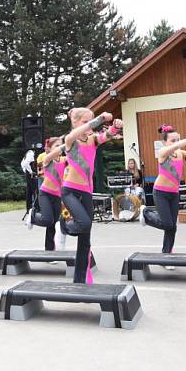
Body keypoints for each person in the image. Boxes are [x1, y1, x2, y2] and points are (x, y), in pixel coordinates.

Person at [61, 108, 123, 284]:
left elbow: (106, 136)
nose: (89, 125)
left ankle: (82, 277)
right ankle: (64, 225)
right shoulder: (70, 140)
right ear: (75, 123)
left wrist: (115, 127)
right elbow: (83, 129)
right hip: (70, 191)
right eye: (85, 122)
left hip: (86, 192)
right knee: (84, 223)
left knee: (86, 239)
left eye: (91, 121)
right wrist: (99, 119)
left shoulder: (92, 140)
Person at [139, 126, 186, 255]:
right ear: (165, 142)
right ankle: (146, 213)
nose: (177, 143)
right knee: (167, 224)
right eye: (173, 140)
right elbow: (179, 145)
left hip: (174, 194)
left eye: (178, 139)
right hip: (160, 193)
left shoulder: (180, 153)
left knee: (172, 227)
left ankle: (167, 254)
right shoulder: (163, 152)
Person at [26, 136, 68, 252]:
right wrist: (67, 142)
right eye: (57, 146)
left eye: (61, 145)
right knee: (47, 220)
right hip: (45, 193)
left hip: (58, 196)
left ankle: (50, 251)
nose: (60, 148)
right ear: (48, 149)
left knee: (54, 225)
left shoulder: (64, 160)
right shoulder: (46, 159)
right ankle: (33, 215)